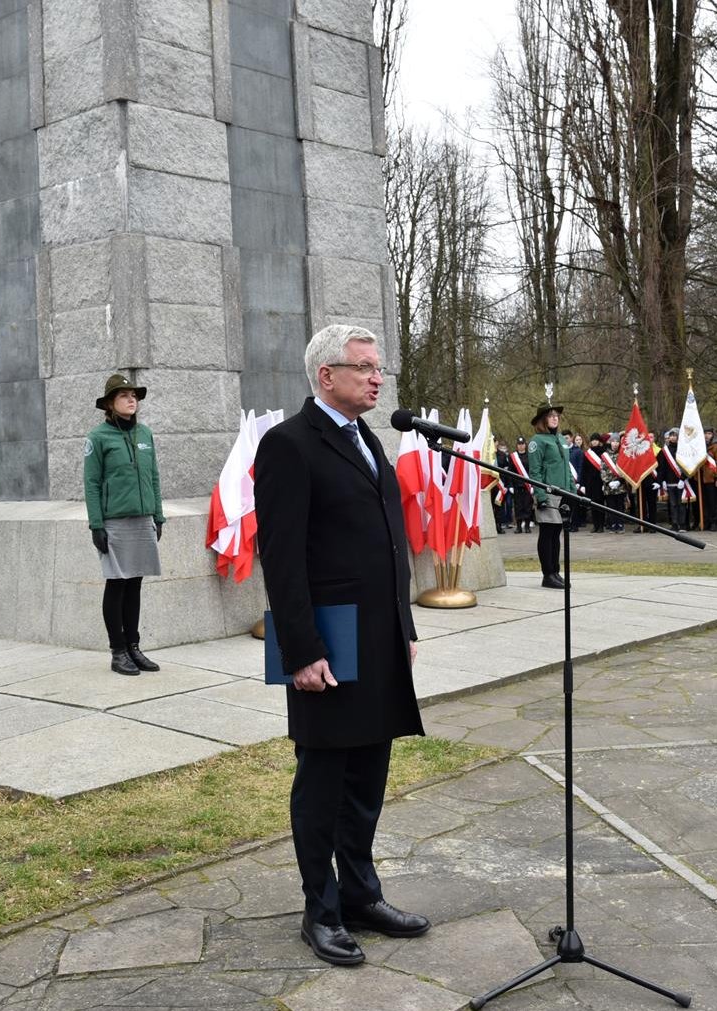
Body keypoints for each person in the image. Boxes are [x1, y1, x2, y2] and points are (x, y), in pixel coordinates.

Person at [253, 325, 427, 967]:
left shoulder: (369, 441)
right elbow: (282, 557)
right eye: (362, 368)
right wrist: (300, 651)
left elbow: (388, 545)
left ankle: (360, 895)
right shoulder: (289, 445)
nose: (376, 378)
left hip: (377, 638)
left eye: (377, 368)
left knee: (367, 780)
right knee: (323, 780)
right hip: (328, 641)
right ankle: (319, 910)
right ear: (326, 375)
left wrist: (404, 628)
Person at [84, 373, 167, 676]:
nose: (132, 400)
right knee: (117, 584)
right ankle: (117, 650)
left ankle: (134, 647)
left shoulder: (145, 434)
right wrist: (96, 525)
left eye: (134, 395)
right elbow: (91, 483)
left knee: (135, 584)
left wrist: (158, 516)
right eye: (124, 396)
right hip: (114, 522)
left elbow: (154, 477)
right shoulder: (98, 438)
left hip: (143, 519)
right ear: (110, 403)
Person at [526, 402, 573, 589]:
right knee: (547, 533)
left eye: (556, 415)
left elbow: (566, 468)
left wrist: (572, 491)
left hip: (562, 492)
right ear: (542, 420)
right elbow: (535, 472)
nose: (555, 418)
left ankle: (555, 571)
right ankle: (548, 574)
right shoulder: (537, 441)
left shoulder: (561, 439)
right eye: (551, 415)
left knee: (556, 534)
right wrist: (541, 496)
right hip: (547, 492)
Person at [584, 433, 609, 532]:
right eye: (592, 440)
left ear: (599, 441)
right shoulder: (588, 453)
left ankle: (601, 525)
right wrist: (584, 483)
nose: (594, 441)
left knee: (601, 504)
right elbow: (584, 469)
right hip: (590, 482)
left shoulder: (603, 452)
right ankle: (595, 525)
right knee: (593, 504)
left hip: (600, 482)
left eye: (596, 440)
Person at [511, 437, 536, 533]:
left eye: (522, 444)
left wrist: (533, 485)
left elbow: (533, 471)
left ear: (525, 445)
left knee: (527, 505)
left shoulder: (530, 456)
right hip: (517, 485)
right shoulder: (513, 456)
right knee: (518, 506)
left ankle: (527, 526)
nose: (521, 446)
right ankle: (518, 526)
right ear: (517, 445)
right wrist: (510, 486)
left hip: (527, 486)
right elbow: (510, 471)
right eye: (519, 444)